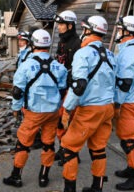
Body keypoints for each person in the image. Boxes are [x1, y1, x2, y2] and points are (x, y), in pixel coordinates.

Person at [3, 29, 68, 188]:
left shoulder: (25, 66)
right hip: (52, 112)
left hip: (33, 111)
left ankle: (16, 176)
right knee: (48, 144)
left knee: (23, 144)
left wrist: (16, 109)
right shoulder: (59, 67)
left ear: (32, 44)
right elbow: (62, 90)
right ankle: (44, 177)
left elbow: (18, 92)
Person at [60, 15, 116, 192]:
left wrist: (67, 109)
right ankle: (96, 187)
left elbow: (78, 85)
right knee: (99, 148)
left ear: (87, 30)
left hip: (90, 108)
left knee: (69, 148)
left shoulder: (82, 53)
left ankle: (70, 189)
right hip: (108, 107)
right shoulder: (110, 54)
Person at [113, 15, 134, 191]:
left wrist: (116, 103)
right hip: (130, 99)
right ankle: (131, 168)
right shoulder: (132, 47)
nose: (118, 31)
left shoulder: (130, 51)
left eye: (120, 29)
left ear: (127, 30)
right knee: (125, 138)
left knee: (129, 140)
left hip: (128, 101)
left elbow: (125, 82)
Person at [52, 10, 81, 163]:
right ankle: (62, 148)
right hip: (60, 87)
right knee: (59, 121)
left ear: (70, 25)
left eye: (61, 24)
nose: (59, 27)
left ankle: (72, 152)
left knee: (68, 121)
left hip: (70, 88)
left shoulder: (77, 43)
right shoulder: (61, 41)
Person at [13, 30, 33, 127]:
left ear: (28, 42)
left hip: (26, 87)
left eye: (23, 41)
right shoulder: (21, 54)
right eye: (19, 41)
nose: (20, 43)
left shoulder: (30, 55)